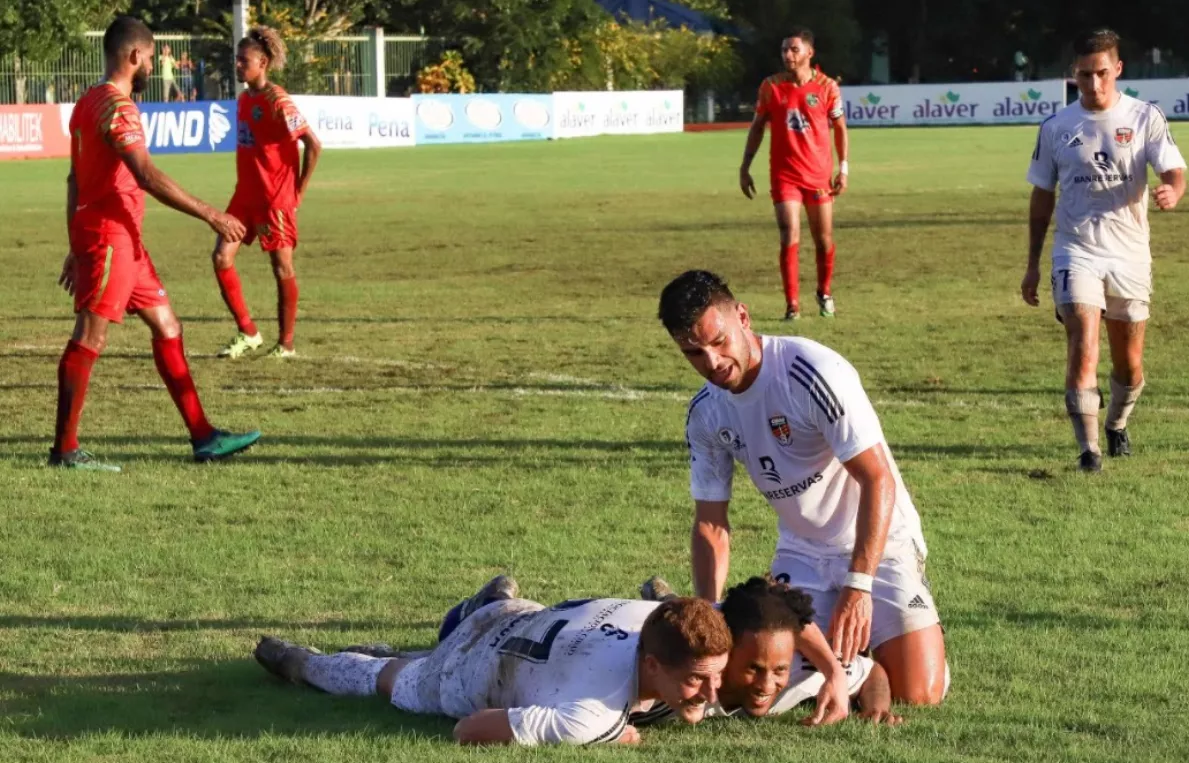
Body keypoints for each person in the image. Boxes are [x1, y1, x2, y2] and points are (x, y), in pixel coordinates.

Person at [657, 270, 948, 705]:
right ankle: (860, 658)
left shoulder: (811, 372)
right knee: (743, 687)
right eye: (693, 353)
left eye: (718, 342)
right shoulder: (706, 413)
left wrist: (858, 585)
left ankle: (885, 639)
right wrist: (710, 615)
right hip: (801, 555)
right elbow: (711, 526)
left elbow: (877, 477)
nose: (712, 363)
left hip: (880, 546)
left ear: (742, 316)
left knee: (918, 694)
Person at [53, 16, 261, 472]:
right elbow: (145, 175)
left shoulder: (87, 102)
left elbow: (75, 179)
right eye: (150, 57)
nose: (152, 64)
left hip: (121, 237)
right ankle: (65, 450)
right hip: (110, 237)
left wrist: (73, 243)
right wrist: (212, 214)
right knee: (90, 336)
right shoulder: (116, 107)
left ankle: (203, 436)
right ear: (134, 56)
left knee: (167, 326)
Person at [254, 576, 733, 746]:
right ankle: (300, 662)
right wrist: (606, 733)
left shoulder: (657, 618)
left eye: (716, 677)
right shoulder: (590, 713)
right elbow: (469, 730)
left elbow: (670, 603)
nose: (713, 694)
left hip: (522, 618)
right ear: (650, 665)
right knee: (391, 679)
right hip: (468, 668)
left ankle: (492, 598)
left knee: (496, 617)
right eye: (695, 681)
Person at [1021, 29, 1185, 472]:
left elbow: (1174, 170)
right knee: (1083, 341)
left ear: (1118, 70)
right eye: (1083, 76)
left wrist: (1172, 190)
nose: (1093, 85)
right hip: (1075, 250)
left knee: (1129, 365)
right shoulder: (1056, 128)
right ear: (1072, 74)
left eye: (1101, 74)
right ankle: (1089, 451)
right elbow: (1041, 198)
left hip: (1129, 254)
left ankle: (1116, 422)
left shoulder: (1145, 116)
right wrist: (1033, 265)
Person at [641, 575, 900, 725]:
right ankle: (668, 600)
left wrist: (875, 706)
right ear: (726, 653)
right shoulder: (681, 669)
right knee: (686, 617)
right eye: (753, 668)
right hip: (643, 621)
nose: (766, 686)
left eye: (779, 670)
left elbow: (871, 671)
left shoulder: (802, 670)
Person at [212, 27, 321, 360]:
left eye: (244, 61)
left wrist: (298, 191)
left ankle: (286, 344)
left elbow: (313, 144)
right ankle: (248, 331)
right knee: (220, 257)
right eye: (237, 59)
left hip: (275, 199)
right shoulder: (245, 99)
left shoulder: (278, 101)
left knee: (281, 268)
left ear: (263, 63)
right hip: (245, 196)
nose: (238, 65)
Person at [739, 28, 849, 320]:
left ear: (809, 53)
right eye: (785, 50)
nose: (788, 55)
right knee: (789, 234)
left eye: (794, 50)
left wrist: (844, 167)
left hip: (818, 175)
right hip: (785, 175)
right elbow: (758, 127)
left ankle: (824, 293)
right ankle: (792, 305)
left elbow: (839, 128)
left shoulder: (826, 87)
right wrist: (745, 166)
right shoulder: (771, 86)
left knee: (823, 239)